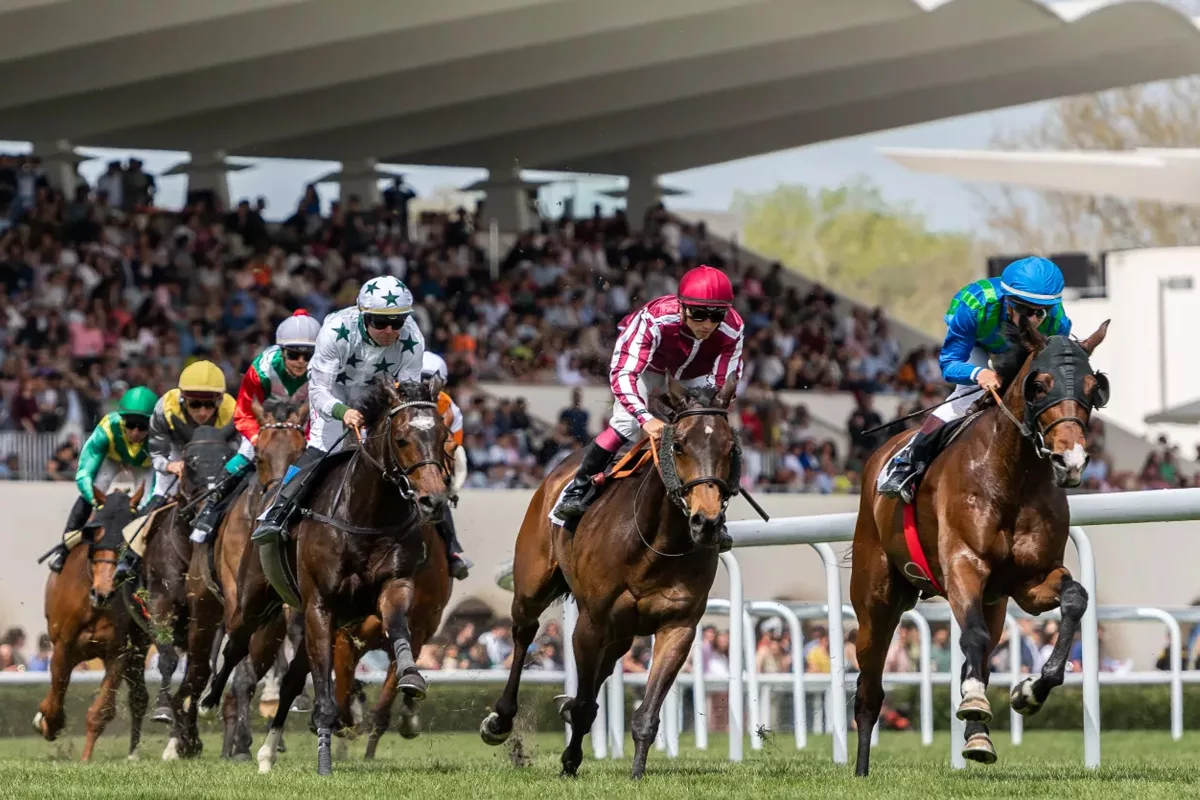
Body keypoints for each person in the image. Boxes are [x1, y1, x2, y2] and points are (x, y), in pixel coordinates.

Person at [553, 265, 744, 551]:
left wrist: (711, 412)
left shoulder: (733, 327)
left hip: (691, 375)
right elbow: (623, 374)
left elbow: (722, 382)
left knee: (711, 431)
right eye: (699, 314)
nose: (707, 323)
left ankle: (717, 512)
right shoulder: (655, 319)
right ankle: (578, 489)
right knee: (627, 424)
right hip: (645, 368)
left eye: (716, 315)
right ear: (681, 307)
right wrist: (644, 417)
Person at [878, 256, 1072, 502]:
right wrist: (978, 373)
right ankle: (906, 462)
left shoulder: (1058, 322)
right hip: (978, 345)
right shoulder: (975, 305)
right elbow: (949, 364)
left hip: (1021, 349)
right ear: (1008, 301)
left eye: (1040, 313)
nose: (1032, 320)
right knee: (965, 397)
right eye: (1025, 310)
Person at [253, 276, 425, 541]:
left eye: (398, 322)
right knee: (322, 447)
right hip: (335, 391)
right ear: (363, 315)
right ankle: (278, 512)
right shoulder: (335, 328)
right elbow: (318, 390)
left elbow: (409, 395)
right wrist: (341, 411)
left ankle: (440, 530)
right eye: (381, 323)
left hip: (379, 394)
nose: (391, 331)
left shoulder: (413, 337)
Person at [189, 310, 321, 544]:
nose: (301, 362)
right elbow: (244, 412)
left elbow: (322, 412)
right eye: (294, 355)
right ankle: (211, 510)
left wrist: (303, 438)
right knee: (245, 454)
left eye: (308, 356)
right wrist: (258, 439)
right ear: (282, 351)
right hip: (265, 422)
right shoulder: (261, 369)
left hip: (305, 424)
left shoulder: (323, 371)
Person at [113, 361, 237, 584]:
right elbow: (157, 455)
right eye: (196, 404)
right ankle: (128, 559)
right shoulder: (165, 408)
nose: (203, 412)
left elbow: (235, 455)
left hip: (215, 456)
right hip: (177, 452)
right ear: (183, 399)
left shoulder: (233, 411)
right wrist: (174, 466)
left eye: (209, 405)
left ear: (219, 401)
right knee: (159, 497)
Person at [44, 386, 158, 573]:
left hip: (145, 465)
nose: (136, 432)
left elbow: (156, 489)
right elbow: (83, 474)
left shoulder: (159, 434)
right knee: (93, 491)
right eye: (130, 425)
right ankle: (64, 549)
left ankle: (137, 556)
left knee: (147, 505)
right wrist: (96, 502)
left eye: (142, 426)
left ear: (152, 424)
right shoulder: (107, 428)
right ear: (121, 420)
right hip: (112, 458)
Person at [420, 351, 471, 579]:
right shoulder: (396, 398)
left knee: (439, 495)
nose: (424, 385)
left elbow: (452, 449)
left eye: (430, 379)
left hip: (430, 464)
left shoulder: (451, 410)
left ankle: (453, 550)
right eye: (420, 378)